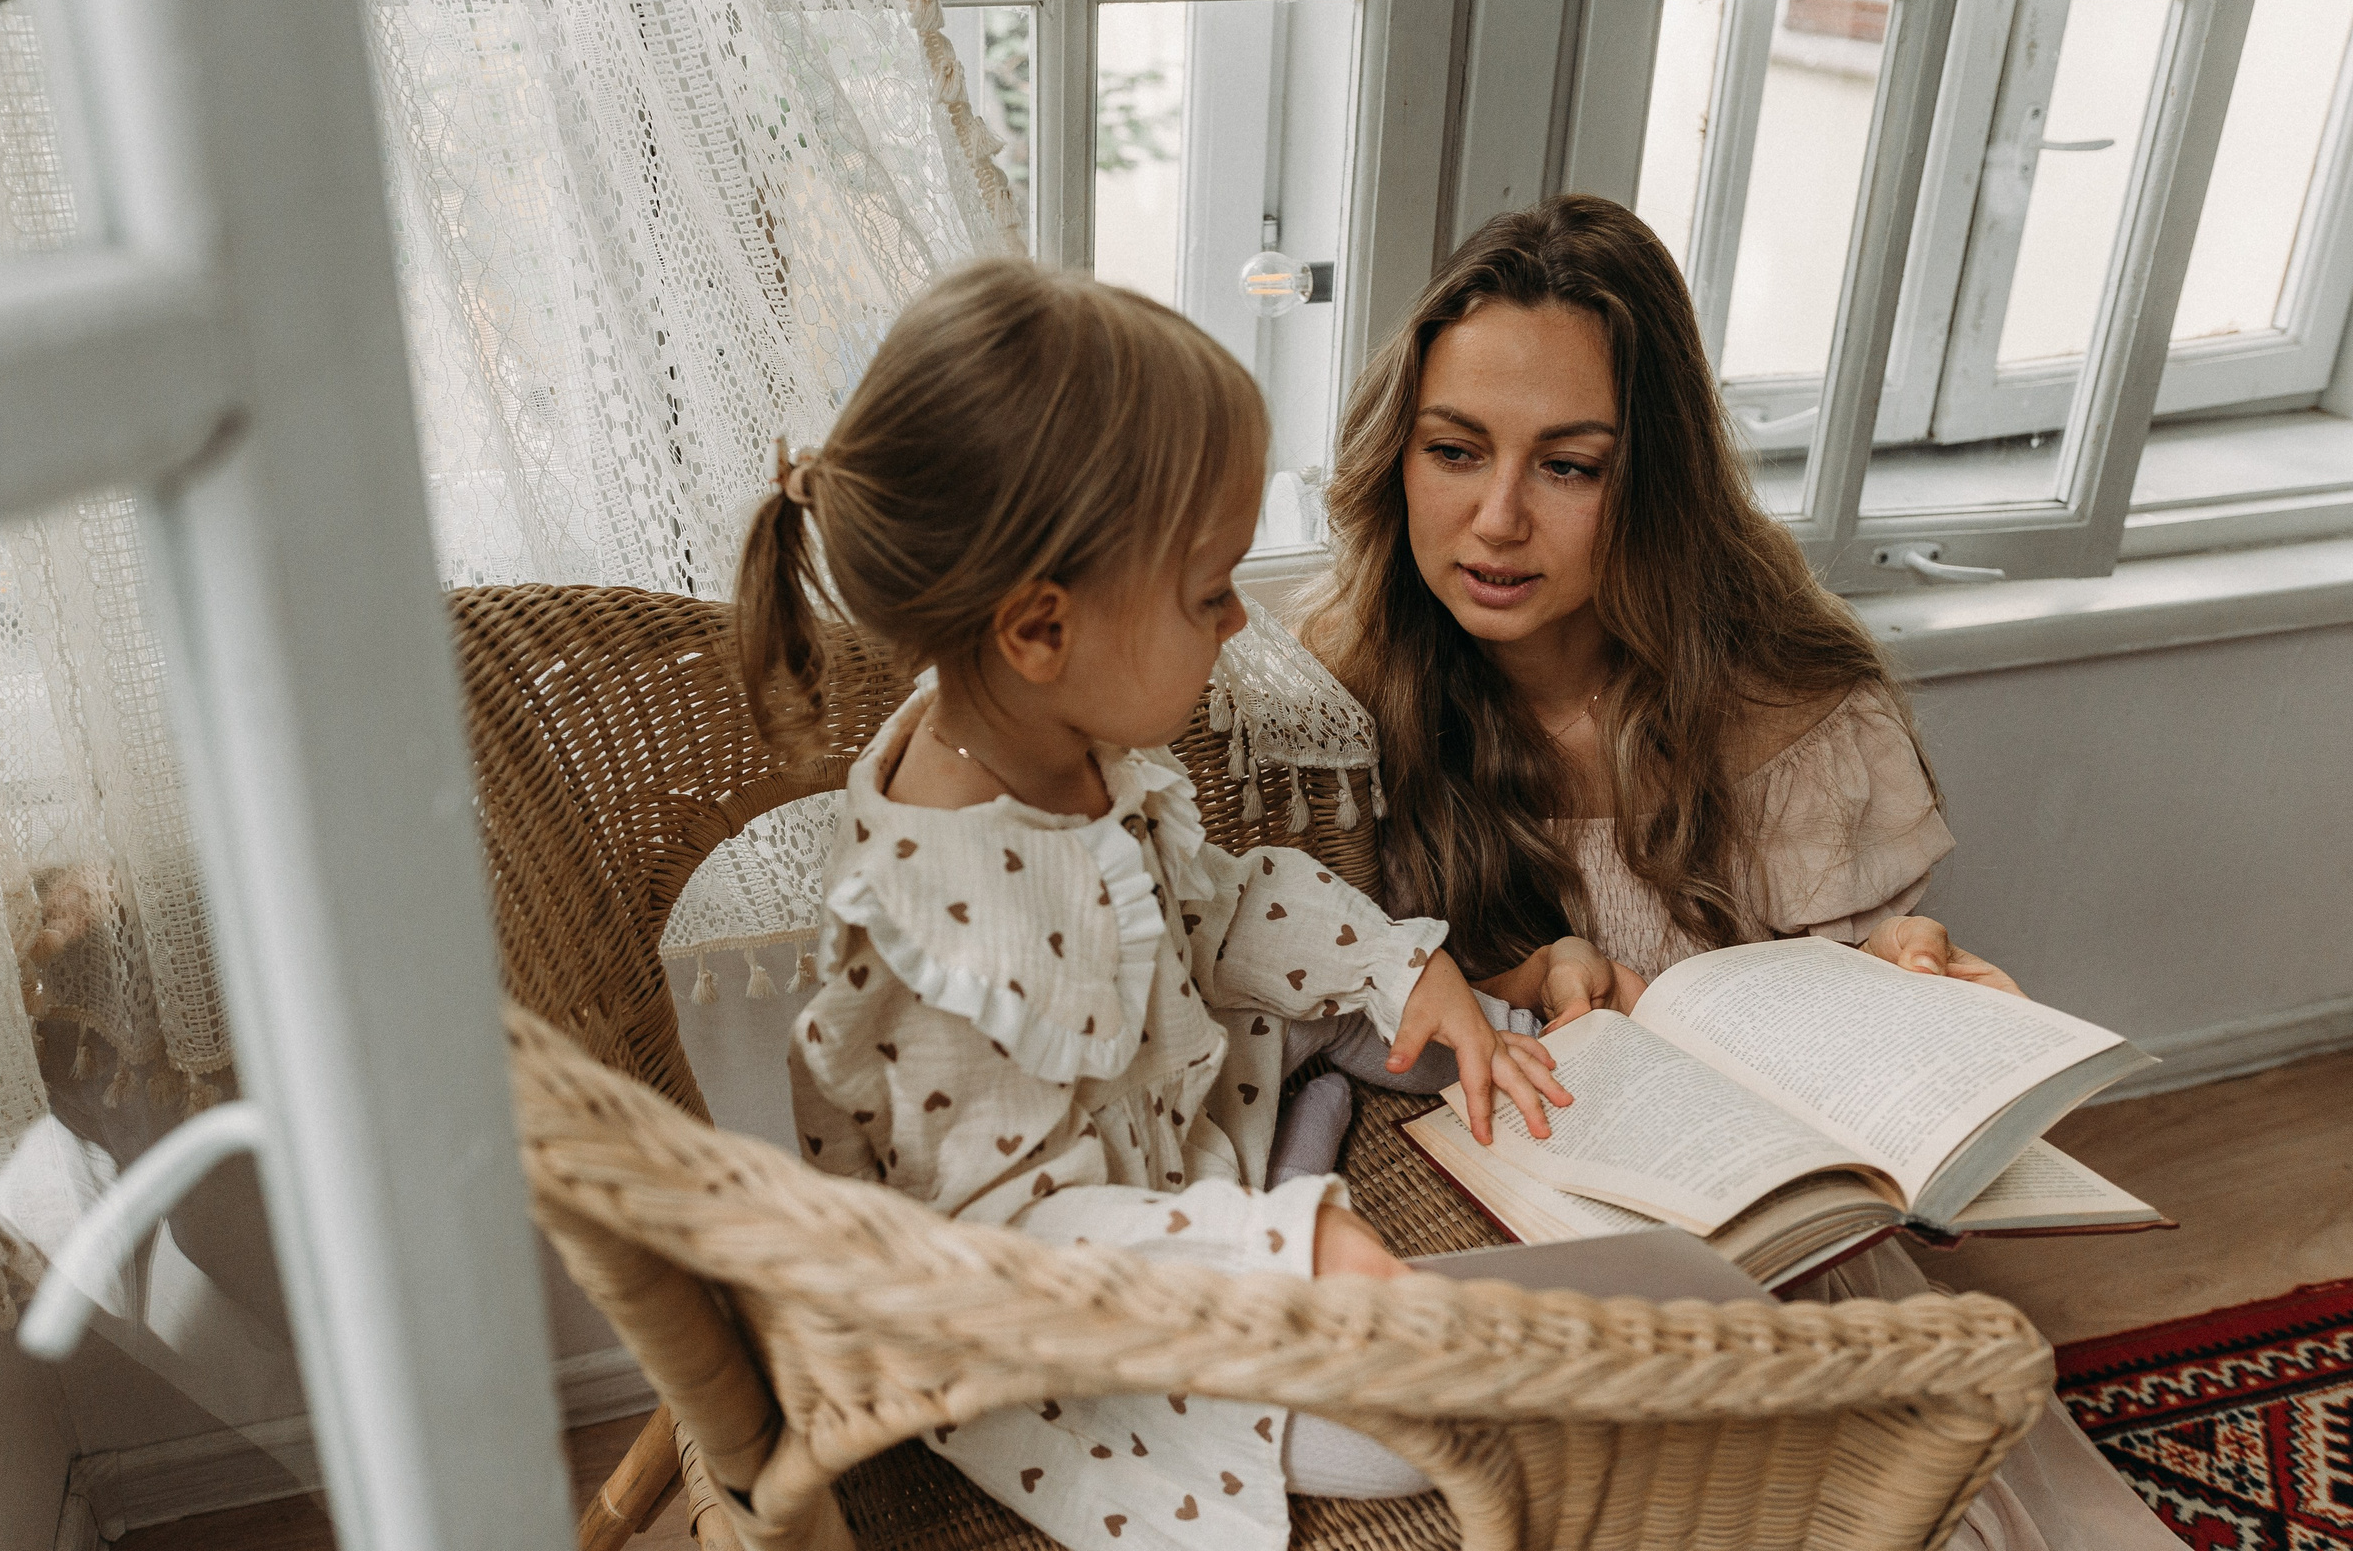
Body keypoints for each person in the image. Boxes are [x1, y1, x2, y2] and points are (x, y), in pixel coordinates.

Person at [1299, 193, 2180, 1551]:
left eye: (1572, 467)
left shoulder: (1791, 703)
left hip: (1769, 1261)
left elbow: (1845, 1015)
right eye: (1455, 450)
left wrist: (1912, 978)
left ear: (1652, 476)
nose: (1497, 519)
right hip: (1482, 1232)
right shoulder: (1324, 697)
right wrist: (1514, 977)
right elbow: (1297, 1004)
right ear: (1397, 454)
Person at [742, 259, 1539, 1548]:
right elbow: (1018, 1248)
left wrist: (1394, 965)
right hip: (1052, 1328)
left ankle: (1366, 1109)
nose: (1238, 620)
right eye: (1209, 590)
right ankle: (1300, 1191)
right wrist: (1278, 1258)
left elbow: (1213, 910)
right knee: (1422, 1438)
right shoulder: (951, 929)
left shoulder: (1066, 747)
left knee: (1385, 1014)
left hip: (1162, 1146)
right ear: (1041, 630)